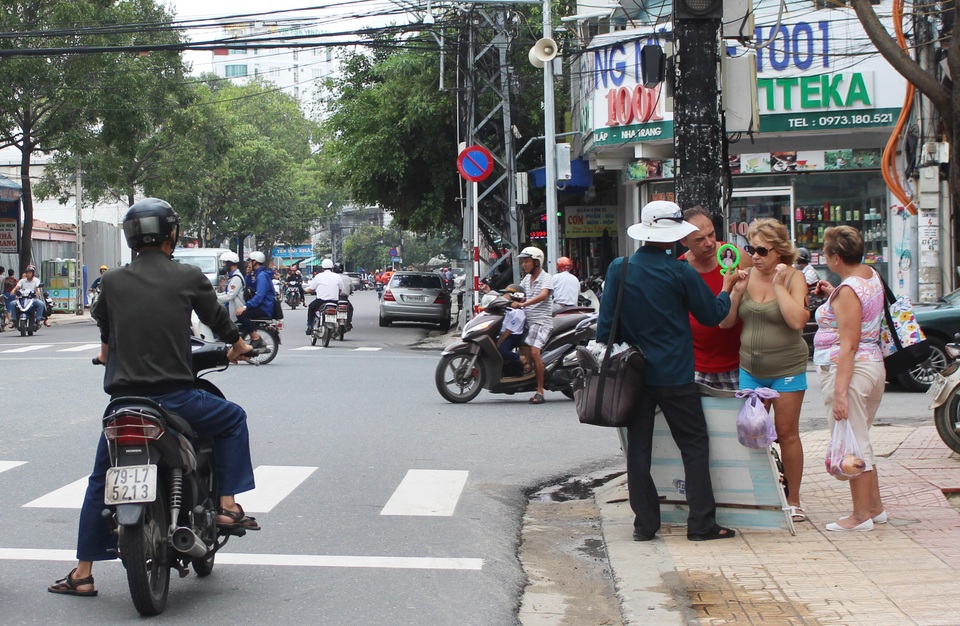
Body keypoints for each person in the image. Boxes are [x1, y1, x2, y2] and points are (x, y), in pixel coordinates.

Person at [48, 198, 258, 598]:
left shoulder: (112, 282)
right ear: (172, 234)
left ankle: (83, 573)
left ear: (131, 237)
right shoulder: (188, 276)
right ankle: (228, 504)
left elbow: (106, 334)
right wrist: (238, 345)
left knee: (101, 480)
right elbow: (217, 318)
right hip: (176, 398)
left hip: (124, 405)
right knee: (233, 418)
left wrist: (105, 356)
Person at [598, 200, 742, 542]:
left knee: (638, 451)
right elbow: (712, 315)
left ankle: (644, 525)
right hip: (676, 374)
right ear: (674, 236)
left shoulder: (621, 268)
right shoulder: (680, 272)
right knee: (693, 445)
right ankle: (701, 524)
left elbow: (604, 331)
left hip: (634, 375)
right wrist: (727, 287)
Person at [721, 218, 810, 522]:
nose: (755, 256)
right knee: (752, 432)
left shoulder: (794, 278)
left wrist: (778, 286)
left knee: (786, 434)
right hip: (750, 368)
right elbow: (726, 323)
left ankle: (794, 499)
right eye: (751, 249)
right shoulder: (747, 275)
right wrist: (735, 291)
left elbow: (797, 321)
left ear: (780, 252)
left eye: (762, 250)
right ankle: (762, 493)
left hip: (786, 368)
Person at [813, 226, 887, 531]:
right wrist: (834, 296)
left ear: (836, 257)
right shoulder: (870, 275)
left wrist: (841, 392)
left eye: (827, 252)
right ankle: (875, 507)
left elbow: (849, 345)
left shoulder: (848, 290)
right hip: (874, 366)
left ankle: (860, 516)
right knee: (861, 438)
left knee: (854, 446)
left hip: (853, 371)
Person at [679, 206, 753, 391]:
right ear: (684, 241)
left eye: (711, 234)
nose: (710, 243)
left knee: (741, 419)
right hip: (695, 364)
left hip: (738, 361)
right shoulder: (680, 267)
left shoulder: (736, 256)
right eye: (700, 239)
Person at [513, 246, 553, 404]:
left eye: (527, 261)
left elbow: (544, 295)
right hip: (527, 321)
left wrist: (523, 304)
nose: (524, 264)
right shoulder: (526, 280)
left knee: (535, 353)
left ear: (537, 262)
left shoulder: (546, 277)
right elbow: (517, 292)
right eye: (522, 262)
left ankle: (540, 391)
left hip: (541, 322)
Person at [236, 251, 274, 349]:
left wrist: (245, 306)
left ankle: (256, 338)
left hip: (264, 307)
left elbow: (259, 296)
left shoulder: (262, 276)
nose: (248, 264)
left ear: (255, 262)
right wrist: (248, 275)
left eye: (250, 262)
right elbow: (251, 287)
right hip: (262, 306)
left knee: (241, 314)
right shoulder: (260, 274)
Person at [305, 258, 345, 334]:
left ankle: (309, 326)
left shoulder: (318, 276)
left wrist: (306, 290)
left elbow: (311, 289)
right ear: (332, 268)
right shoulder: (337, 276)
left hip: (321, 301)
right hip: (334, 302)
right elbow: (341, 288)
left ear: (322, 268)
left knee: (311, 307)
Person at [497, 284, 527, 374]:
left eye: (506, 294)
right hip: (503, 333)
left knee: (500, 351)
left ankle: (520, 358)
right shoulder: (507, 307)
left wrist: (499, 342)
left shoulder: (518, 313)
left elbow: (508, 331)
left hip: (512, 336)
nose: (503, 296)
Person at [217, 251, 246, 321]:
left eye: (224, 263)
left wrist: (215, 298)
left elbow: (230, 296)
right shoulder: (233, 276)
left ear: (229, 264)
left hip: (236, 310)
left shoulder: (236, 278)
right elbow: (227, 292)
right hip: (230, 308)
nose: (223, 265)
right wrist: (215, 295)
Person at [332, 262, 354, 329]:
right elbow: (352, 288)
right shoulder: (347, 278)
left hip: (333, 298)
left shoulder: (331, 277)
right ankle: (348, 323)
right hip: (344, 299)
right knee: (350, 309)